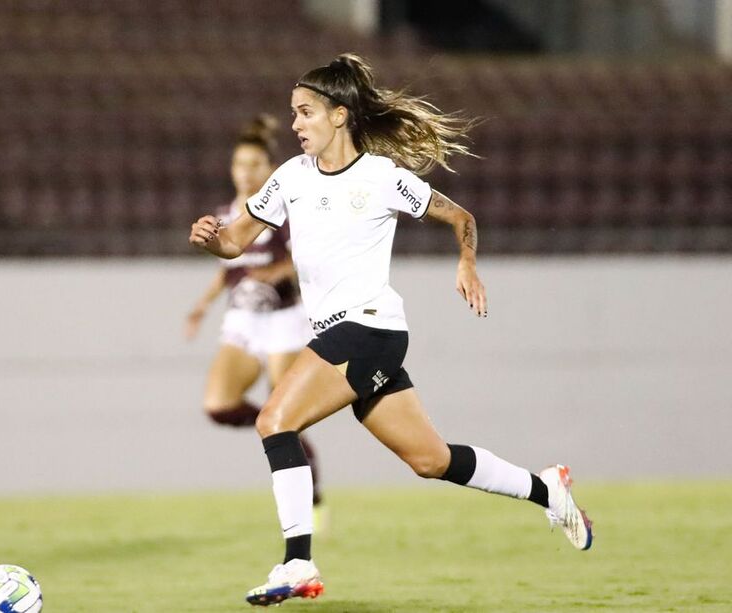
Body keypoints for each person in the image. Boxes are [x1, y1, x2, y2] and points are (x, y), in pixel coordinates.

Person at [188, 54, 593, 607]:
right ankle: (550, 490)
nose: (296, 124)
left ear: (339, 115)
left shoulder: (381, 178)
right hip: (344, 335)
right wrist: (212, 237)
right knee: (431, 461)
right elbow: (234, 243)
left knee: (274, 420)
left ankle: (297, 562)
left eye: (305, 112)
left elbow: (460, 217)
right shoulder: (290, 178)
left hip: (369, 330)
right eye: (293, 113)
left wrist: (467, 262)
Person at [185, 115, 326, 516]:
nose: (244, 173)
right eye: (238, 164)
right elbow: (228, 266)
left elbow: (303, 256)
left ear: (270, 169)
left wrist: (275, 272)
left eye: (253, 164)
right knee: (218, 404)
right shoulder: (225, 213)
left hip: (284, 320)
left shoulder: (283, 209)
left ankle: (303, 503)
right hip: (244, 321)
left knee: (286, 416)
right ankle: (286, 438)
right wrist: (203, 303)